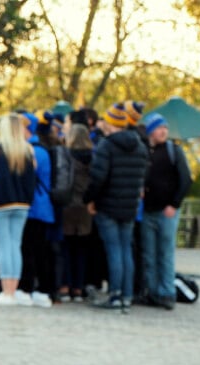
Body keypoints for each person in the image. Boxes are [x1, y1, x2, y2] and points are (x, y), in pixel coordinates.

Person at [84, 103, 148, 313]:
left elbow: (98, 178)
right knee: (126, 250)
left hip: (108, 205)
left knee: (114, 250)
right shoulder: (139, 146)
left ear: (111, 124)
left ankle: (115, 294)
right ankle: (127, 294)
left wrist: (89, 199)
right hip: (129, 206)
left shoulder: (106, 146)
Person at [0, 114, 36, 306]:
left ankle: (7, 291)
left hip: (0, 204)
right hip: (22, 204)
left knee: (3, 248)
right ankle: (13, 288)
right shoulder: (28, 151)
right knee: (15, 246)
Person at [140, 112, 192, 309]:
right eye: (159, 128)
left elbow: (185, 179)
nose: (163, 132)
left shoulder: (174, 151)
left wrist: (174, 204)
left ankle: (167, 293)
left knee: (165, 253)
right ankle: (152, 292)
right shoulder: (144, 151)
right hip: (148, 210)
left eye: (165, 128)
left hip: (166, 211)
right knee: (149, 254)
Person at [16, 112, 55, 308]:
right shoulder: (40, 149)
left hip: (34, 207)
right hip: (40, 206)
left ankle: (28, 288)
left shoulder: (33, 151)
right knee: (37, 249)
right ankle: (40, 289)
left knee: (30, 249)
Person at [59, 123, 94, 302]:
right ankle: (78, 288)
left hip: (68, 205)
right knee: (81, 249)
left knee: (65, 247)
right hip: (86, 207)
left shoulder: (67, 155)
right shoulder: (93, 158)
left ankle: (65, 285)